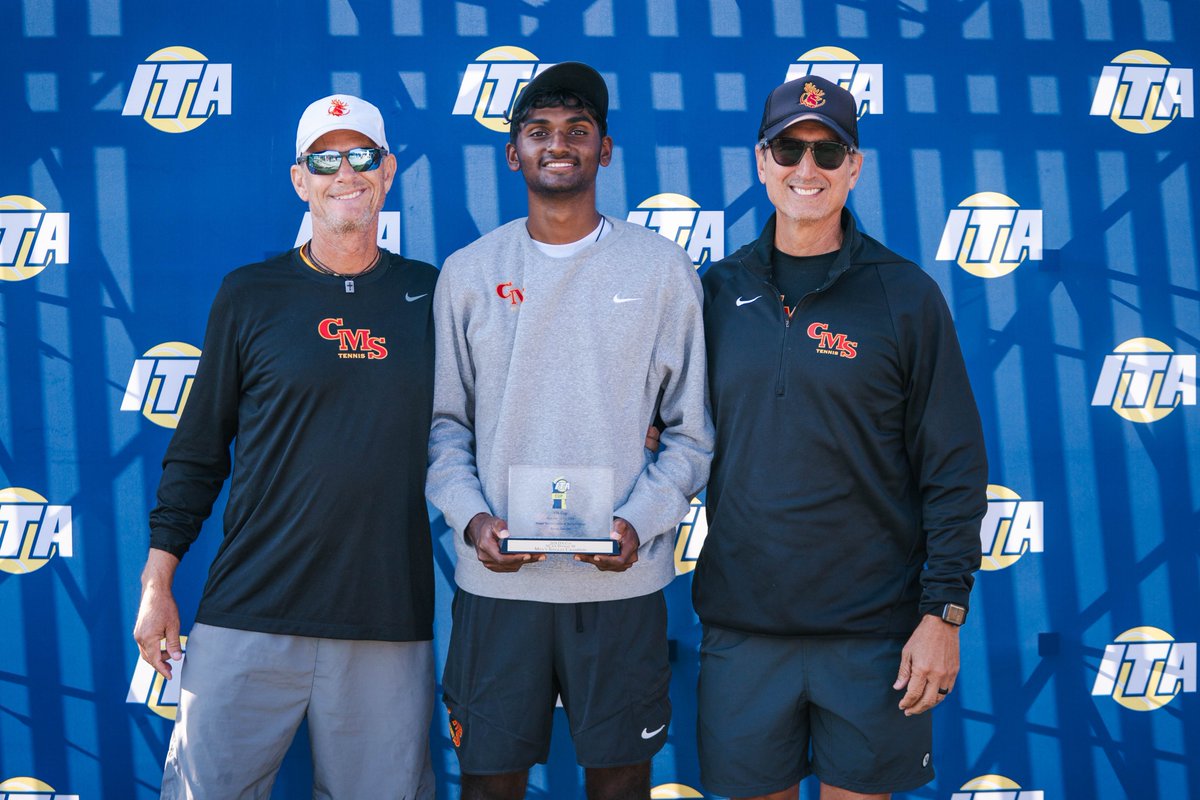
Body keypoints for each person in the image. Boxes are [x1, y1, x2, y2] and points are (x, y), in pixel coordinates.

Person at [132, 94, 439, 800]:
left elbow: (497, 412)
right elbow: (198, 450)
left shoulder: (433, 294)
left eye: (361, 155)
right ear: (301, 180)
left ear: (388, 171)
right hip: (249, 607)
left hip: (385, 616)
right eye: (324, 160)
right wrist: (156, 583)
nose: (345, 173)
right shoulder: (250, 295)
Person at [693, 75, 989, 800]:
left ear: (855, 166)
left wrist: (944, 613)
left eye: (829, 152)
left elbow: (953, 466)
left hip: (873, 635)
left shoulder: (905, 295)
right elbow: (664, 430)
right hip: (743, 629)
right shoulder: (712, 293)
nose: (808, 168)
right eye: (788, 149)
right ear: (761, 161)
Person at [426, 62, 713, 800]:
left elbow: (691, 434)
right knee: (490, 788)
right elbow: (443, 429)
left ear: (605, 150)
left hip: (621, 589)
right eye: (540, 131)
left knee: (620, 787)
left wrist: (640, 521)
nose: (559, 144)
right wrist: (474, 520)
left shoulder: (660, 269)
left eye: (578, 130)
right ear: (513, 152)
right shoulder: (468, 272)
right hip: (498, 590)